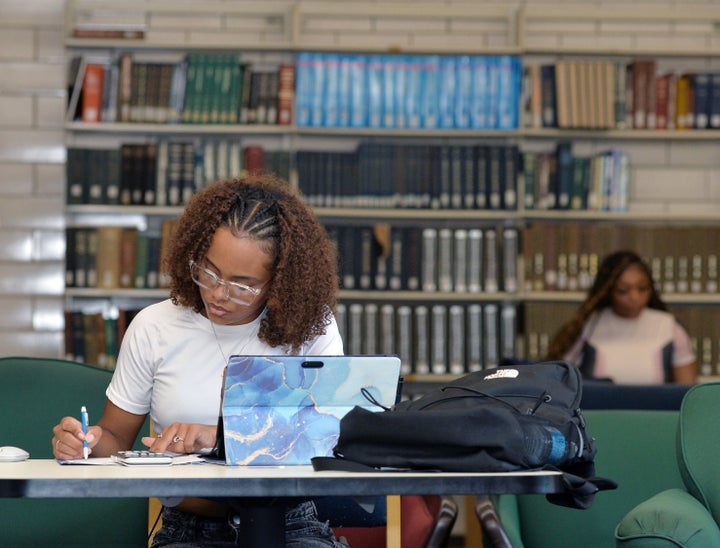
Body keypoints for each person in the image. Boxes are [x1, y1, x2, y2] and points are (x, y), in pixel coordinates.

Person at [52, 174, 348, 547]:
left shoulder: (311, 329)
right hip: (187, 528)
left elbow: (327, 437)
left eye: (242, 285)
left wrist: (219, 438)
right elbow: (114, 438)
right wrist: (88, 443)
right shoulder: (154, 327)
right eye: (209, 271)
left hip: (290, 526)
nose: (218, 295)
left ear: (280, 282)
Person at [546, 249, 697, 385]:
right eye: (624, 290)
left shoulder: (669, 327)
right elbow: (557, 381)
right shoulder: (590, 325)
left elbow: (686, 393)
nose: (635, 297)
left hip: (655, 415)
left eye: (643, 289)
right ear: (608, 292)